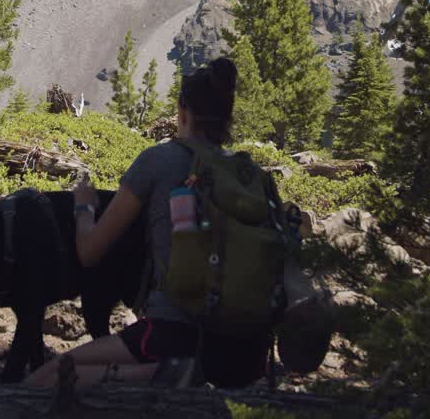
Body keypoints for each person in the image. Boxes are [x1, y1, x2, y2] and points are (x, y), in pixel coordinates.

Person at [24, 57, 273, 389]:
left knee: (47, 378)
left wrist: (84, 208)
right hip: (248, 350)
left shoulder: (159, 159)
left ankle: (167, 373)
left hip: (175, 334)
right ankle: (181, 374)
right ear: (227, 117)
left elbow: (89, 252)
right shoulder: (255, 177)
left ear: (182, 112)